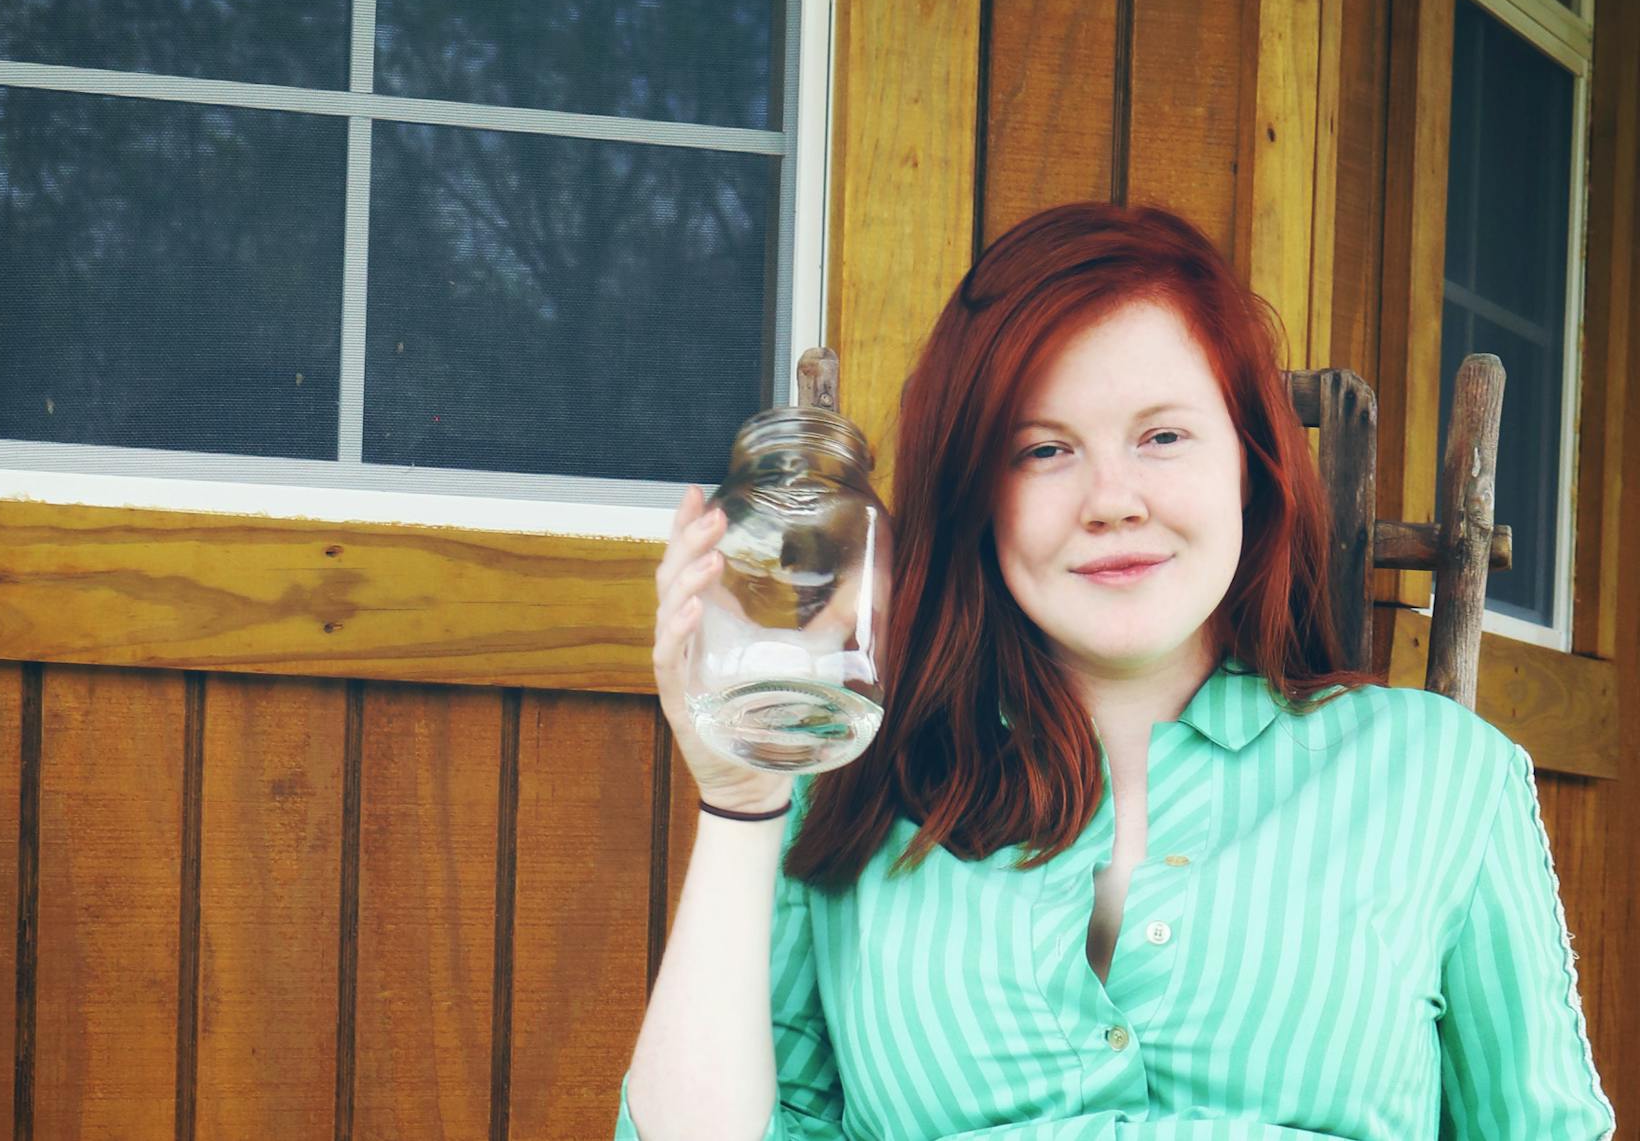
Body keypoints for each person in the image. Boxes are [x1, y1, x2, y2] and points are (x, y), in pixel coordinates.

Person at [617, 203, 1616, 1140]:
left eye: (1163, 435)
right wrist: (741, 800)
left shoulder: (1441, 774)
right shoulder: (851, 785)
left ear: (1250, 463)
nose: (1112, 498)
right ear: (981, 497)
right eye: (1045, 449)